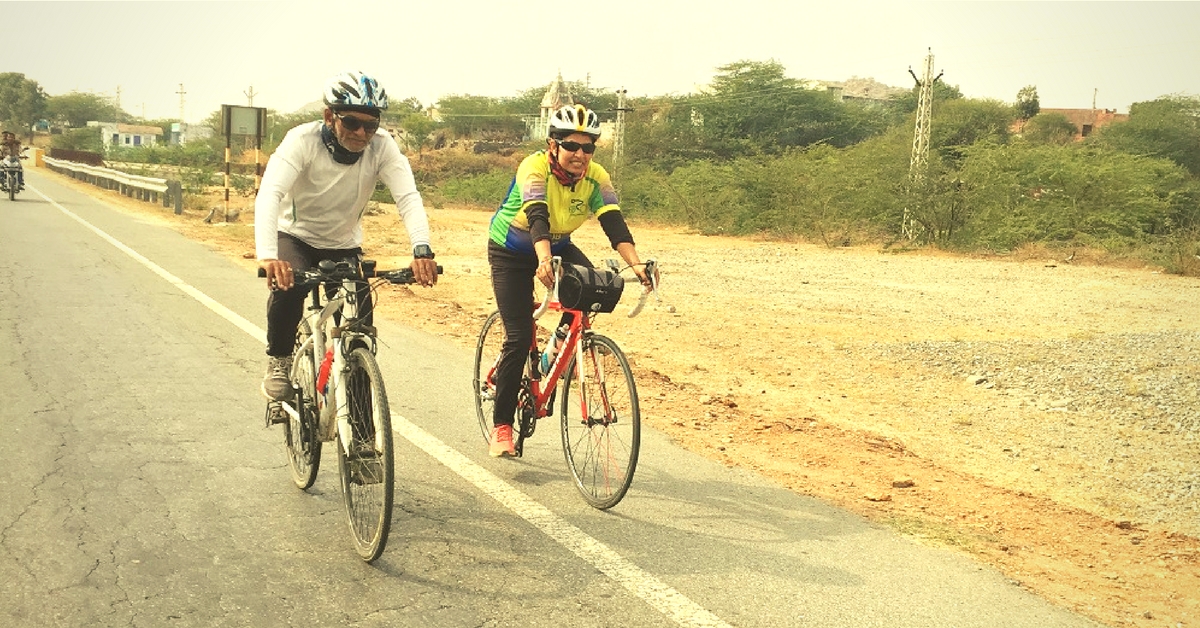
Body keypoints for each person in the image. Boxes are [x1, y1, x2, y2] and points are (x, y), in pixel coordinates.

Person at [485, 104, 657, 457]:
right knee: (517, 339)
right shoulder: (534, 168)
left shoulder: (596, 176)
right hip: (512, 249)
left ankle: (550, 358)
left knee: (594, 289)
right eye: (571, 146)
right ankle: (502, 426)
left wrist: (637, 265)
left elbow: (614, 224)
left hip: (559, 245)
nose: (580, 154)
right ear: (553, 145)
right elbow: (537, 216)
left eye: (588, 147)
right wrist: (544, 258)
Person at [255, 71, 438, 401]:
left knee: (360, 330)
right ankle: (279, 360)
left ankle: (362, 431)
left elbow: (408, 197)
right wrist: (269, 255)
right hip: (296, 236)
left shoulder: (382, 148)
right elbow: (270, 193)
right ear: (329, 116)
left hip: (343, 244)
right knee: (288, 288)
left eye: (371, 125)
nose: (362, 133)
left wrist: (422, 249)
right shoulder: (302, 141)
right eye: (352, 122)